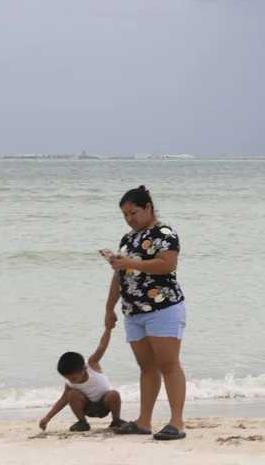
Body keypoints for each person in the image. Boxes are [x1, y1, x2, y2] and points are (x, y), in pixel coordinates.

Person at [104, 185, 188, 441]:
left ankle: (177, 422)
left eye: (134, 212)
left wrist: (131, 263)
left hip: (163, 308)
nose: (130, 218)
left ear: (148, 208)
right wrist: (109, 308)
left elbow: (168, 264)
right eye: (125, 214)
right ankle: (143, 421)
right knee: (146, 367)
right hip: (133, 311)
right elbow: (120, 274)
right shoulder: (128, 239)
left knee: (168, 364)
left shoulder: (164, 232)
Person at [39, 326, 124, 432]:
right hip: (86, 407)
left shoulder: (92, 364)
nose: (71, 381)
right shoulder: (70, 383)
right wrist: (48, 417)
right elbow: (63, 400)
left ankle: (116, 421)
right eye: (67, 378)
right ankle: (82, 422)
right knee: (71, 394)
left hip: (104, 405)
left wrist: (108, 329)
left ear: (84, 369)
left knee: (113, 394)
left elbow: (102, 346)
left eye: (73, 378)